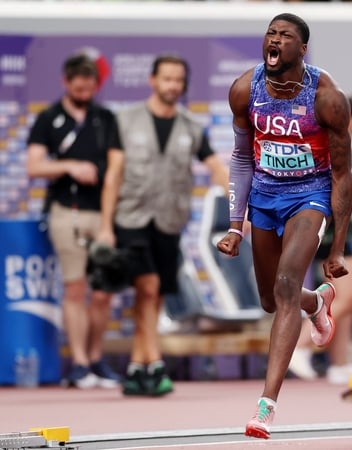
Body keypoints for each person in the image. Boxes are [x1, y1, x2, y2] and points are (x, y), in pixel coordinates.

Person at [215, 13, 352, 440]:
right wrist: (235, 225)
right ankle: (317, 303)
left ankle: (266, 406)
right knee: (271, 300)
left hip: (310, 195)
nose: (274, 40)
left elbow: (341, 175)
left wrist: (337, 247)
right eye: (270, 33)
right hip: (265, 194)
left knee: (287, 283)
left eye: (285, 35)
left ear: (302, 49)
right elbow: (241, 158)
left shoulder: (326, 98)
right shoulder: (245, 89)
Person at [104, 54, 229, 397]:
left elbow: (216, 168)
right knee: (148, 286)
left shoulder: (192, 127)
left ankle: (137, 366)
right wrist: (105, 226)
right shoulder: (125, 120)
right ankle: (155, 361)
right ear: (153, 80)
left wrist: (239, 208)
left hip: (170, 221)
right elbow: (113, 175)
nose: (172, 85)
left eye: (178, 80)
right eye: (167, 78)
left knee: (156, 294)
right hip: (131, 217)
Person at [26, 53, 123, 389]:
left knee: (103, 292)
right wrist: (69, 166)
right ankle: (79, 363)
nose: (84, 92)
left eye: (89, 87)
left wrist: (109, 223)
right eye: (77, 87)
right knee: (75, 287)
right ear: (65, 82)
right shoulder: (48, 118)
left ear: (96, 85)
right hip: (66, 212)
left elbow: (116, 170)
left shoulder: (106, 118)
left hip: (103, 213)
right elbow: (34, 166)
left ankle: (97, 359)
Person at [290, 95, 352, 385]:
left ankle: (339, 363)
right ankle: (300, 345)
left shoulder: (335, 146)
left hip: (333, 230)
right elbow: (331, 192)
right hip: (330, 232)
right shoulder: (330, 146)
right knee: (350, 294)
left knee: (341, 296)